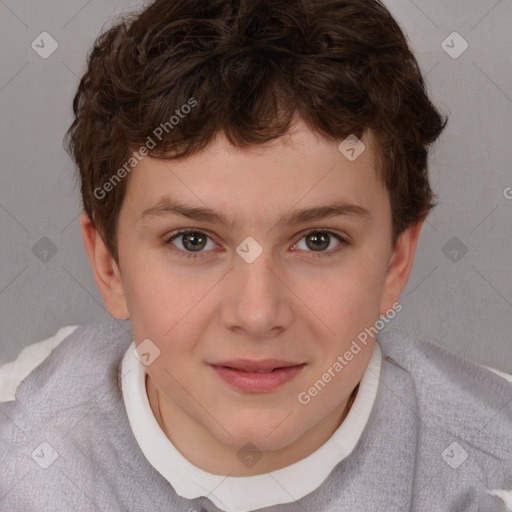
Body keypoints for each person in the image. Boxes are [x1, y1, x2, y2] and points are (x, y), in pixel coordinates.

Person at [1, 0, 511, 510]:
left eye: (318, 240)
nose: (257, 313)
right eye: (193, 240)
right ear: (109, 265)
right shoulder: (23, 459)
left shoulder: (490, 475)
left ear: (396, 262)